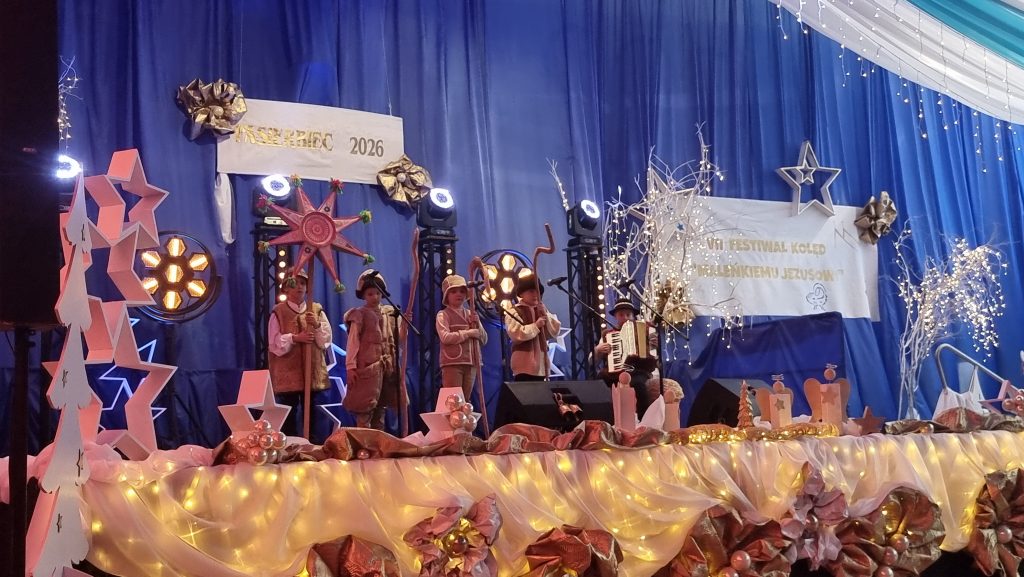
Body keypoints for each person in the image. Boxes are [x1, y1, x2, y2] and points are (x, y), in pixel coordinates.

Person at [267, 269, 332, 438]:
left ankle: (315, 446)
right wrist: (295, 338)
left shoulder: (316, 310)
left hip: (313, 375)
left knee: (315, 416)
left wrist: (316, 325)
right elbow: (274, 343)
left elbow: (325, 341)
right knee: (288, 417)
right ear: (286, 288)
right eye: (295, 284)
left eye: (303, 283)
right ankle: (292, 446)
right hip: (288, 376)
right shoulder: (279, 312)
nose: (300, 287)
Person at [343, 269, 394, 429]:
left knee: (380, 408)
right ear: (364, 295)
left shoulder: (388, 314)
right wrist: (350, 367)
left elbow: (396, 339)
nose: (375, 297)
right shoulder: (359, 314)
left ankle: (379, 440)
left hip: (384, 368)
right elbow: (353, 342)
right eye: (370, 294)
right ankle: (363, 440)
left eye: (378, 293)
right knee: (365, 409)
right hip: (366, 367)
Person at [594, 297, 658, 418]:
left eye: (628, 314)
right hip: (614, 373)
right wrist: (598, 350)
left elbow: (654, 354)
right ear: (616, 316)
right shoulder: (608, 335)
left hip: (638, 370)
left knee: (638, 384)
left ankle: (643, 420)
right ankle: (606, 419)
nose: (625, 318)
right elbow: (592, 361)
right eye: (621, 315)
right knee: (599, 382)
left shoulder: (646, 329)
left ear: (633, 316)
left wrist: (654, 346)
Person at [436, 274, 488, 400]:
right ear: (447, 295)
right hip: (453, 363)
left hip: (472, 363)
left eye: (462, 291)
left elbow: (484, 339)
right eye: (453, 291)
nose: (458, 294)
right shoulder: (443, 315)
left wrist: (477, 324)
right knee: (453, 400)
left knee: (465, 400)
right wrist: (467, 333)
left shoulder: (471, 314)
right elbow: (445, 337)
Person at [505, 276, 561, 380]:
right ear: (522, 293)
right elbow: (516, 334)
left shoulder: (542, 309)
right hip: (523, 365)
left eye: (537, 291)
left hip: (542, 365)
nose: (535, 295)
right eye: (531, 291)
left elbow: (554, 332)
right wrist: (536, 326)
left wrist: (545, 315)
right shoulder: (514, 311)